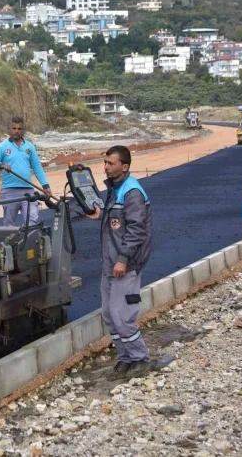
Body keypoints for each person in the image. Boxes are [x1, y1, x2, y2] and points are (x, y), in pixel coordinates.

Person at [88, 145, 153, 380]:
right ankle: (125, 359)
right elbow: (117, 222)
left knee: (122, 314)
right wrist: (100, 215)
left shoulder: (132, 192)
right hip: (110, 262)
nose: (105, 167)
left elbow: (136, 231)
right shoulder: (115, 190)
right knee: (108, 313)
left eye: (110, 163)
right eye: (105, 162)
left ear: (124, 167)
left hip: (125, 264)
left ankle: (140, 359)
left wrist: (123, 260)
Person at [0, 117, 52, 226]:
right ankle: (11, 242)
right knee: (9, 223)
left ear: (23, 130)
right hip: (9, 191)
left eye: (19, 128)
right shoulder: (2, 146)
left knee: (33, 219)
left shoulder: (29, 146)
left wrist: (45, 185)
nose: (17, 131)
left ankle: (29, 241)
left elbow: (37, 167)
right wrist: (1, 165)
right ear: (9, 129)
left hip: (28, 190)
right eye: (14, 128)